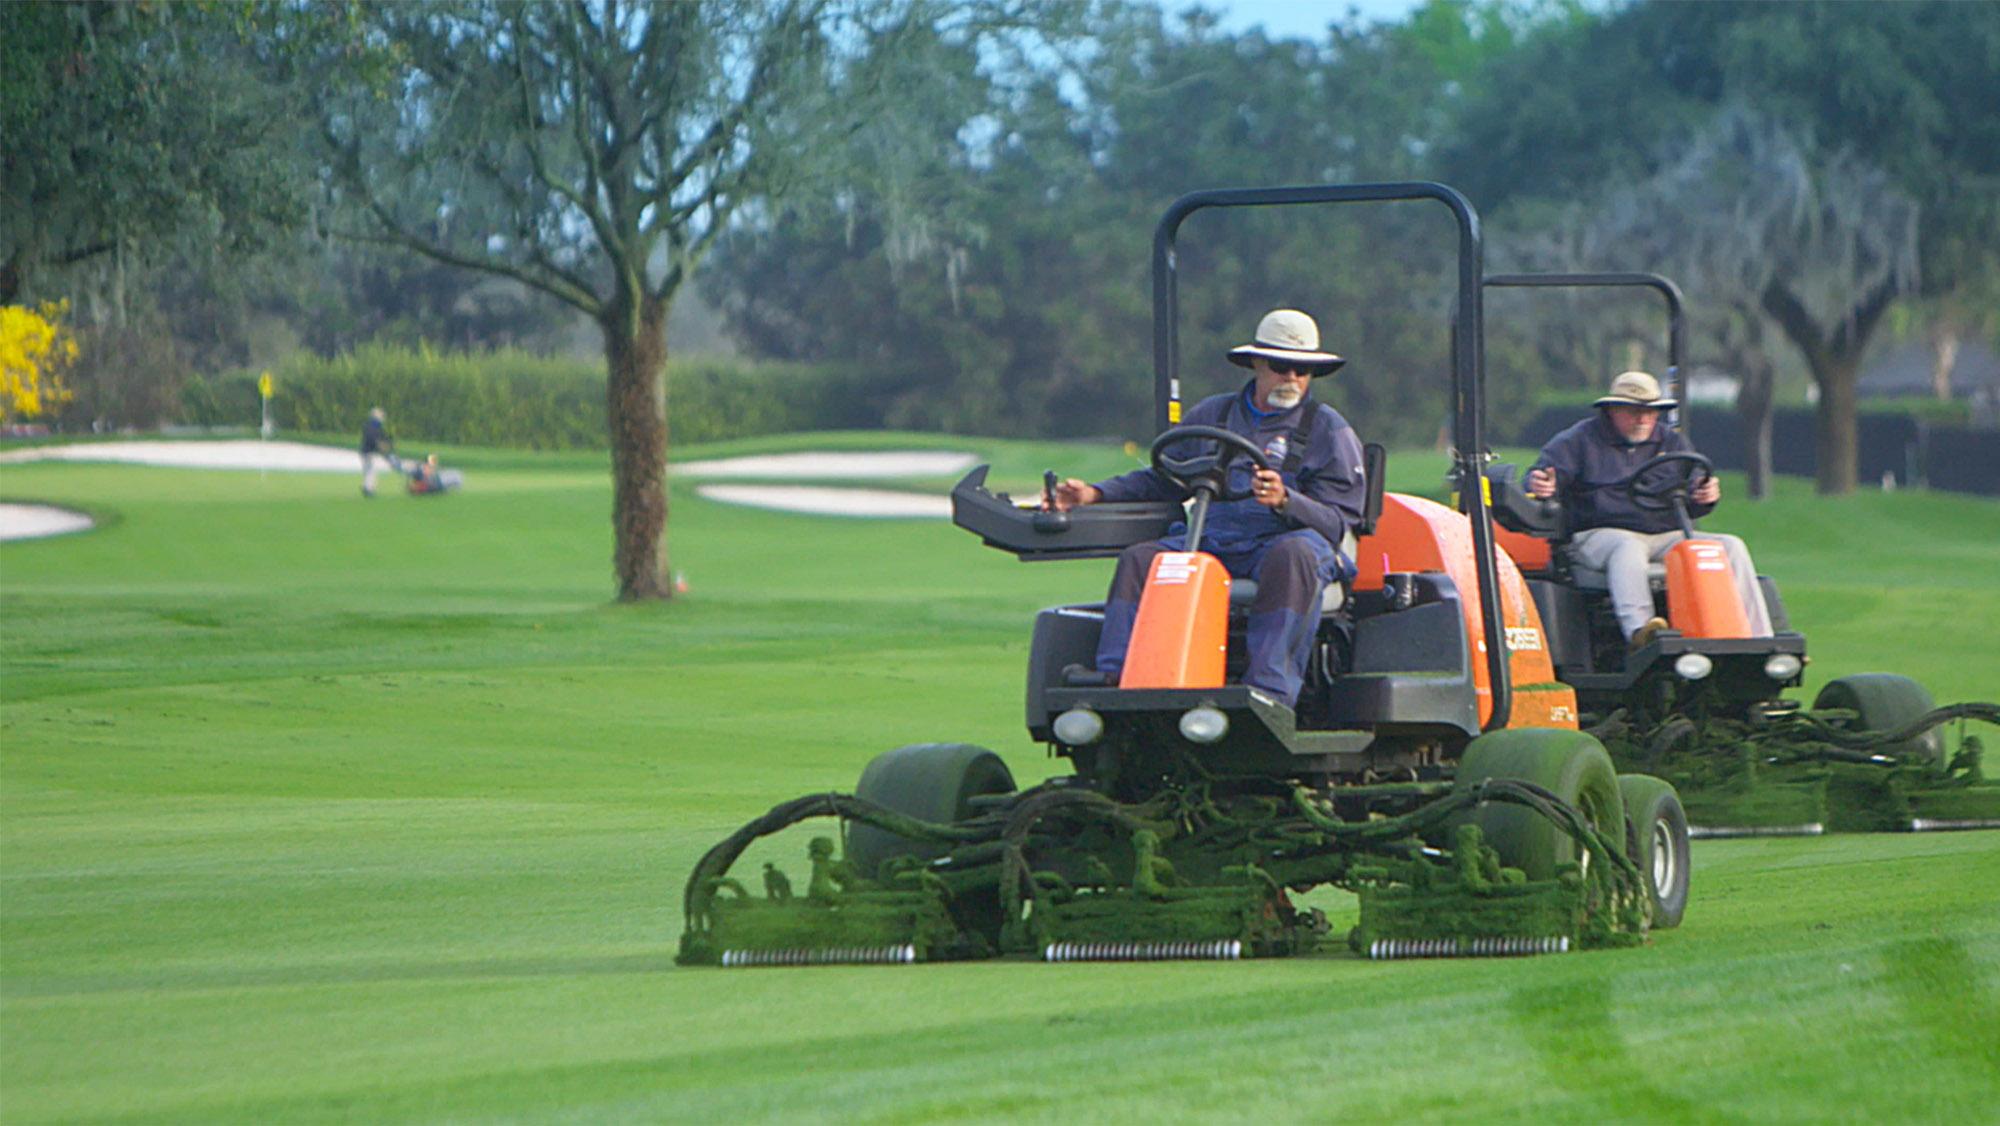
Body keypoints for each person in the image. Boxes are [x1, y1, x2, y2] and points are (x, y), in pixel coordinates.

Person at [1050, 309, 1368, 709]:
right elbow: (1162, 479)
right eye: (1282, 365)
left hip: (1285, 542)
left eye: (1303, 370)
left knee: (1295, 556)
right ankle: (1118, 677)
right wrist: (1094, 494)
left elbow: (1338, 521)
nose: (1292, 378)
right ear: (1257, 363)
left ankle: (1269, 692)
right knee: (1141, 560)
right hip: (1212, 538)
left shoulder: (1329, 431)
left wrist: (1287, 501)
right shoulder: (1213, 417)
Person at [1526, 370, 1773, 649]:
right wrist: (1541, 483)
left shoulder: (1671, 442)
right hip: (1599, 535)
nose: (1643, 419)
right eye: (1633, 411)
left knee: (1730, 547)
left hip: (1665, 533)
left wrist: (1704, 495)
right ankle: (1641, 631)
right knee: (1628, 547)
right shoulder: (1579, 440)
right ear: (1612, 410)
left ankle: (1759, 638)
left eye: (1650, 411)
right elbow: (1540, 477)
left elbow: (1693, 490)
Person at [359, 407, 394, 498]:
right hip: (370, 451)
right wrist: (385, 445)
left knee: (367, 470)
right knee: (371, 470)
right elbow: (376, 438)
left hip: (365, 451)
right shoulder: (375, 426)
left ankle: (366, 486)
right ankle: (369, 489)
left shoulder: (368, 425)